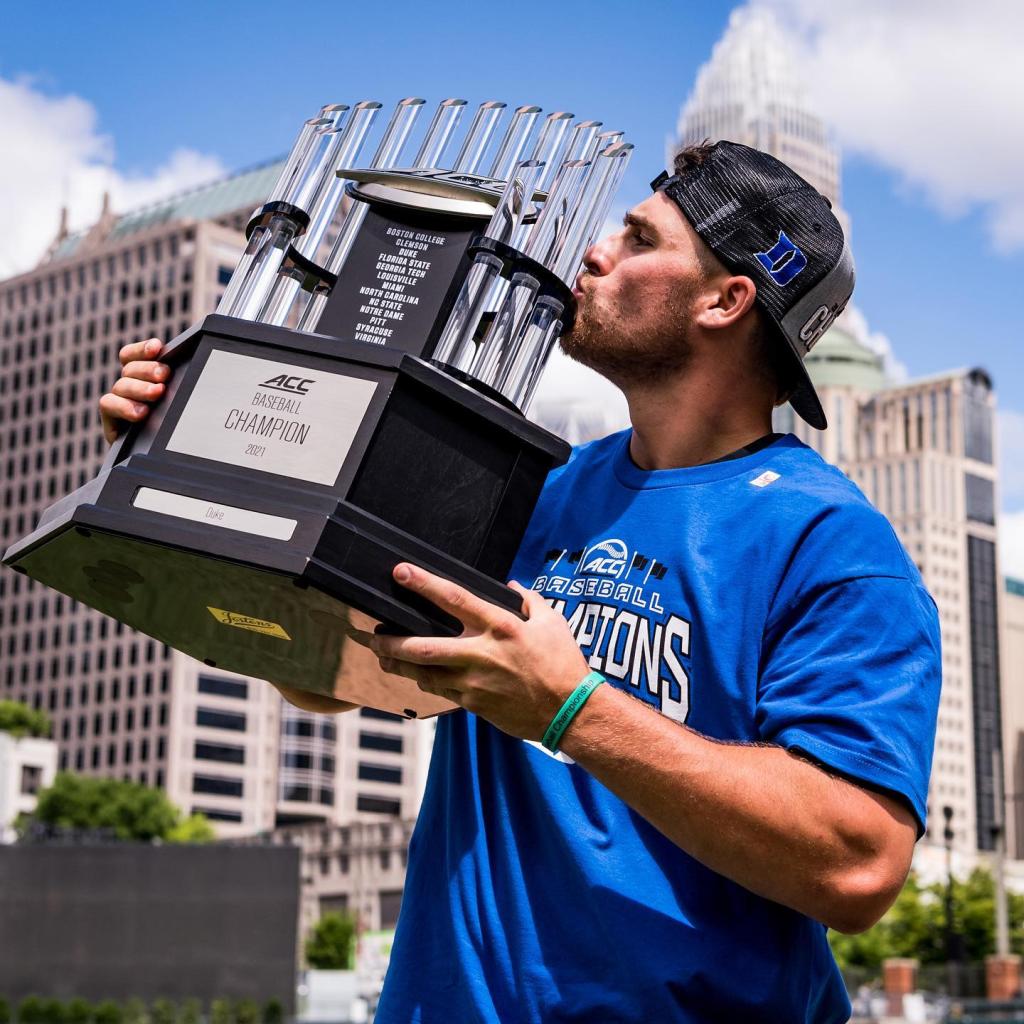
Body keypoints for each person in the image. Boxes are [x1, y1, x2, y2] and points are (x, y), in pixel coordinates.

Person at [100, 141, 941, 1023]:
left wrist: (570, 706)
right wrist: (189, 454)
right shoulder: (538, 489)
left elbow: (857, 866)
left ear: (725, 301)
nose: (595, 252)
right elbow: (331, 674)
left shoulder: (832, 543)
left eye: (639, 238)